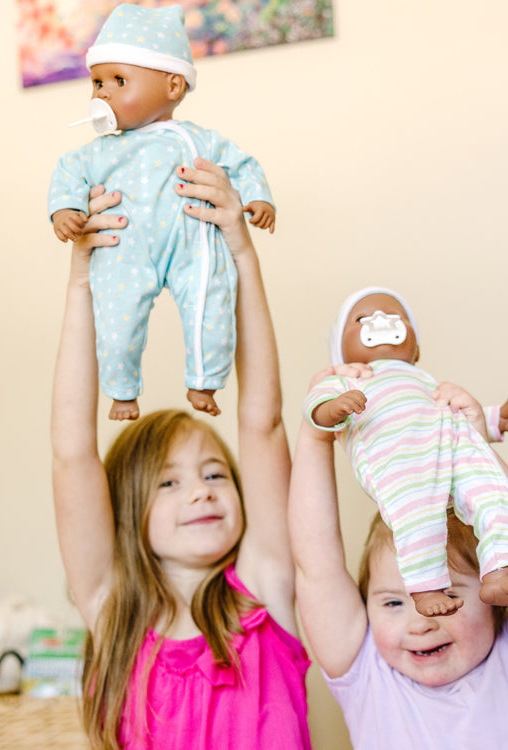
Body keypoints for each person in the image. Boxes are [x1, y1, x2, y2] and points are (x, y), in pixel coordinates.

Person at [51, 159, 310, 750]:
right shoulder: (113, 614)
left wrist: (241, 254)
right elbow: (71, 454)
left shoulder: (266, 588)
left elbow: (262, 423)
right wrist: (80, 281)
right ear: (125, 511)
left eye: (215, 473)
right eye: (167, 484)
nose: (201, 491)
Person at [290, 374, 508, 749]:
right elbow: (316, 567)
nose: (421, 622)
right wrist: (316, 428)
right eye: (393, 602)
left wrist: (472, 446)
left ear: (495, 603)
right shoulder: (369, 676)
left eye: (445, 593)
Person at [49, 3, 275, 421]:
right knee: (116, 324)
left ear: (173, 86)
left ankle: (205, 381)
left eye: (118, 80)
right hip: (123, 248)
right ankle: (121, 393)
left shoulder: (198, 140)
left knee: (212, 304)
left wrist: (257, 197)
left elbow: (241, 164)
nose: (103, 92)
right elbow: (68, 173)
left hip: (192, 245)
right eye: (97, 82)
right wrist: (65, 209)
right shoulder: (99, 151)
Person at [303, 287, 508, 617]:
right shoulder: (350, 379)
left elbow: (456, 412)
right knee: (417, 517)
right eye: (363, 319)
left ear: (416, 349)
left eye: (394, 317)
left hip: (454, 450)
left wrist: (498, 419)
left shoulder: (425, 382)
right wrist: (335, 406)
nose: (381, 321)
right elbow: (314, 409)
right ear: (340, 352)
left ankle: (501, 571)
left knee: (495, 495)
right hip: (400, 462)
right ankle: (427, 588)